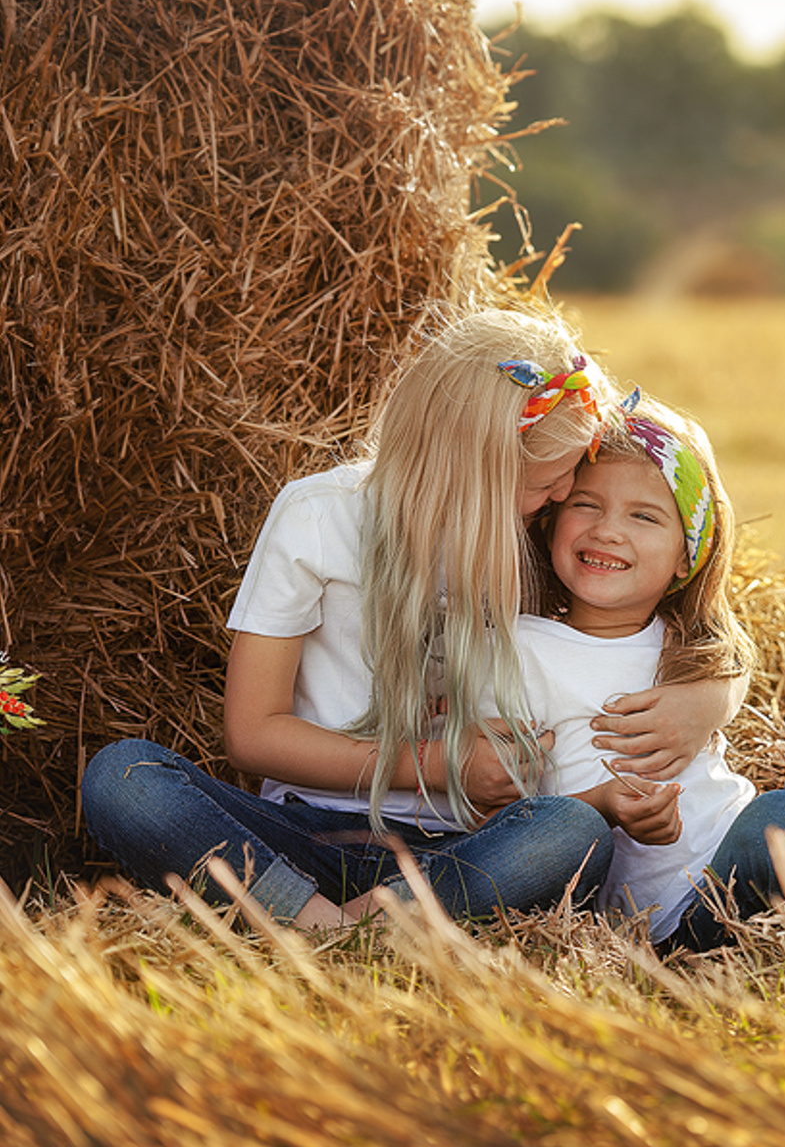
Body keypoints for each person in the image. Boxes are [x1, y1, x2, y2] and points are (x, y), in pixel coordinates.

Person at [80, 306, 744, 930]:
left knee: (571, 834)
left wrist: (710, 696)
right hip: (302, 831)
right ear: (474, 464)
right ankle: (329, 928)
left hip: (465, 849)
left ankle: (327, 927)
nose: (566, 496)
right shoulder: (318, 517)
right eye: (549, 480)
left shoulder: (530, 535)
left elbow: (678, 609)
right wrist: (439, 762)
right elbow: (252, 734)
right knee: (124, 779)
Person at [500, 392, 785, 948]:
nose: (607, 530)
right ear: (550, 522)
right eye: (585, 505)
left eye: (643, 516)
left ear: (684, 558)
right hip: (684, 918)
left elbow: (732, 656)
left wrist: (710, 695)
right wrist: (604, 808)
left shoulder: (689, 646)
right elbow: (501, 822)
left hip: (761, 860)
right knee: (773, 825)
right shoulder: (513, 650)